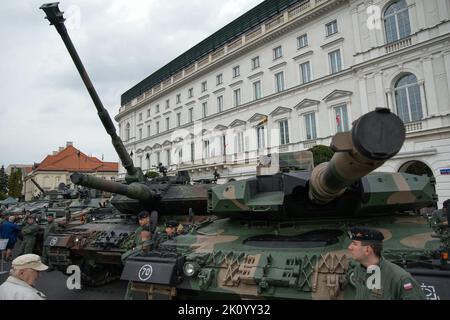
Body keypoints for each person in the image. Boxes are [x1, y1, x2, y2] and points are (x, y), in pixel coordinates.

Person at [346, 226, 425, 300]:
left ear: (367, 250)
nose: (349, 247)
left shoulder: (399, 279)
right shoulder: (358, 270)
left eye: (354, 244)